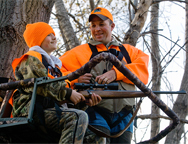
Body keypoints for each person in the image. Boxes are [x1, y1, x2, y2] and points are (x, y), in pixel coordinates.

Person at [60, 7, 149, 144]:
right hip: (95, 112)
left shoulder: (129, 51)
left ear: (112, 26)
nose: (97, 29)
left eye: (101, 24)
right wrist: (75, 80)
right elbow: (56, 74)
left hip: (125, 116)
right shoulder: (79, 52)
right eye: (93, 25)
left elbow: (142, 71)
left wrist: (116, 73)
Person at [11, 22, 102, 143]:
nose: (54, 37)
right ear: (38, 39)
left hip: (50, 110)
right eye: (48, 35)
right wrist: (68, 93)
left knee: (96, 137)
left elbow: (60, 99)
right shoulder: (30, 58)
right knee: (77, 117)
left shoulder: (55, 67)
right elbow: (40, 85)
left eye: (53, 34)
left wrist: (83, 102)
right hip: (30, 111)